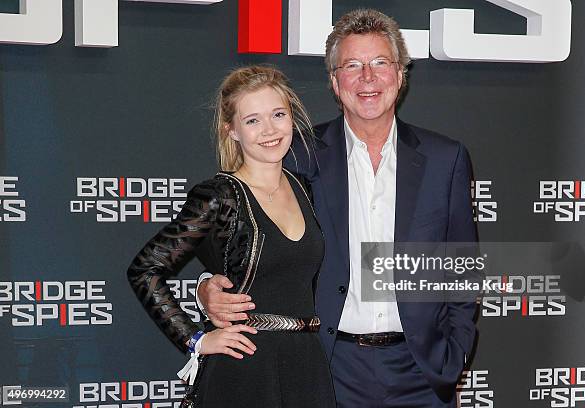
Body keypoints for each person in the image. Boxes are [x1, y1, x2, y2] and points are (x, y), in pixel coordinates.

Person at [197, 9, 478, 408]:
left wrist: (455, 354)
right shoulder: (295, 155)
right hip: (328, 367)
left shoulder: (444, 159)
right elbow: (245, 235)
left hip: (423, 371)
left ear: (400, 75)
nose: (368, 78)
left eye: (380, 63)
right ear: (334, 82)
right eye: (352, 66)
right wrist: (206, 284)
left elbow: (461, 267)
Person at [127, 65, 335, 408]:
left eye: (278, 114)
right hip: (244, 371)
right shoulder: (219, 196)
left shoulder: (303, 188)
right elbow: (144, 270)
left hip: (307, 368)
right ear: (232, 130)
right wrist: (195, 339)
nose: (269, 130)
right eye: (253, 120)